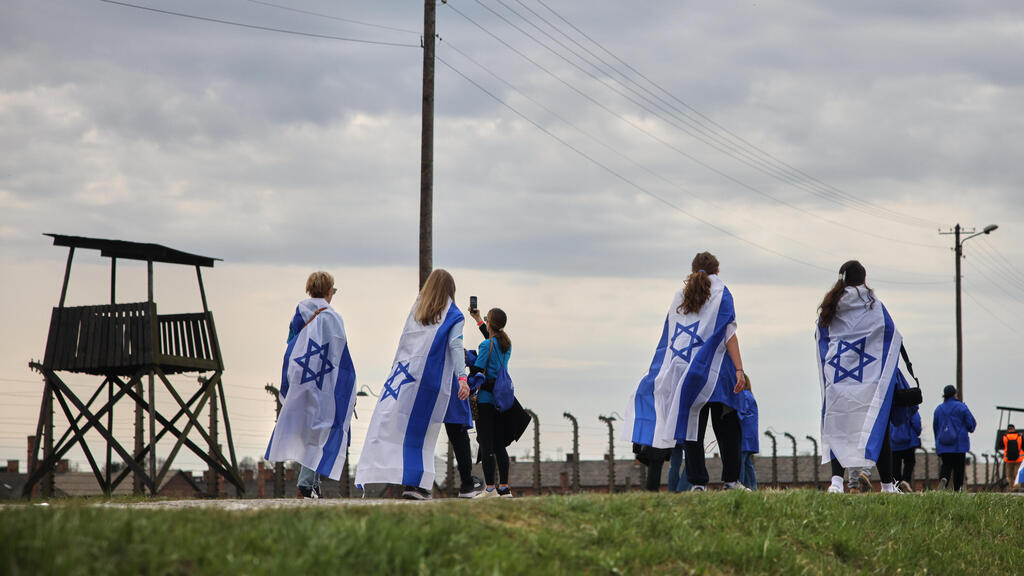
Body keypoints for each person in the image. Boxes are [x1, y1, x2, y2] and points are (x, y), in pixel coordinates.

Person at [623, 251, 749, 492]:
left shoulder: (680, 296)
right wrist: (739, 369)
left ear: (693, 270)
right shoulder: (722, 293)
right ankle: (731, 481)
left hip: (687, 372)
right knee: (728, 427)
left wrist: (660, 369)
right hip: (717, 371)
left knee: (693, 428)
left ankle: (697, 482)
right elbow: (729, 333)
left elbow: (670, 337)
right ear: (717, 271)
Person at [355, 269, 469, 500]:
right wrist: (462, 377)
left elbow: (405, 345)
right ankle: (458, 483)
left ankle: (413, 484)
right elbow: (455, 346)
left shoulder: (417, 312)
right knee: (441, 432)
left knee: (412, 432)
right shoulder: (454, 314)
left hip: (409, 378)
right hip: (437, 380)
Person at [266, 271, 358, 499]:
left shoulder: (300, 313)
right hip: (322, 382)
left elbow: (291, 344)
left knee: (310, 429)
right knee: (321, 430)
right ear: (328, 291)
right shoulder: (333, 318)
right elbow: (339, 356)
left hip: (300, 379)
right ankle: (307, 484)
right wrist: (346, 387)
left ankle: (313, 484)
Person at [816, 260, 905, 494]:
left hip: (838, 378)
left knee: (837, 426)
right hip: (868, 379)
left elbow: (821, 339)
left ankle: (836, 483)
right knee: (879, 426)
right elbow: (891, 335)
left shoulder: (831, 307)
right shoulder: (874, 306)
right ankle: (887, 486)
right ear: (864, 279)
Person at [468, 306, 514, 497]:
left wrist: (468, 358)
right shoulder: (506, 345)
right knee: (499, 444)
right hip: (501, 401)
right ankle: (504, 487)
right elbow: (492, 341)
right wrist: (479, 319)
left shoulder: (486, 345)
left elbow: (477, 370)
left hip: (486, 400)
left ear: (490, 324)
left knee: (486, 444)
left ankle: (489, 488)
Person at [933, 385, 975, 491]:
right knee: (959, 467)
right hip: (959, 444)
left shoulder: (938, 409)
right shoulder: (961, 407)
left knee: (946, 465)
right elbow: (971, 425)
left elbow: (935, 428)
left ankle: (943, 481)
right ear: (955, 394)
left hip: (944, 444)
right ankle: (957, 489)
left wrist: (938, 443)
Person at [890, 402, 922, 493]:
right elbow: (916, 423)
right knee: (910, 462)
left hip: (894, 442)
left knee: (895, 466)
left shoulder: (891, 407)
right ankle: (906, 480)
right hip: (909, 442)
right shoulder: (911, 406)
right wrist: (917, 433)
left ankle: (897, 485)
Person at [737, 375, 759, 491]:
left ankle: (740, 484)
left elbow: (740, 413)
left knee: (740, 460)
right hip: (750, 436)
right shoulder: (749, 395)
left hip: (744, 435)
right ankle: (753, 488)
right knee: (747, 462)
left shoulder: (744, 396)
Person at [1001, 424, 1023, 489]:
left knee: (1009, 475)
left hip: (1008, 459)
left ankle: (1011, 487)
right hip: (1018, 459)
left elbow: (1000, 445)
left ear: (1008, 429)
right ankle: (1017, 487)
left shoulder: (1004, 437)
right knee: (1017, 474)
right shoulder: (1020, 436)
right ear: (1014, 429)